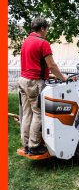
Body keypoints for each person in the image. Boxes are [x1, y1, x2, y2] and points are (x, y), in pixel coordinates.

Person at [17, 17, 68, 156]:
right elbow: (51, 65)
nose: (46, 33)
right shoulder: (42, 42)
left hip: (23, 80)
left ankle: (26, 145)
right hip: (34, 83)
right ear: (42, 28)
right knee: (38, 113)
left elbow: (31, 64)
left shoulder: (26, 42)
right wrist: (63, 78)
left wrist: (47, 76)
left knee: (27, 113)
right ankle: (34, 146)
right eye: (46, 30)